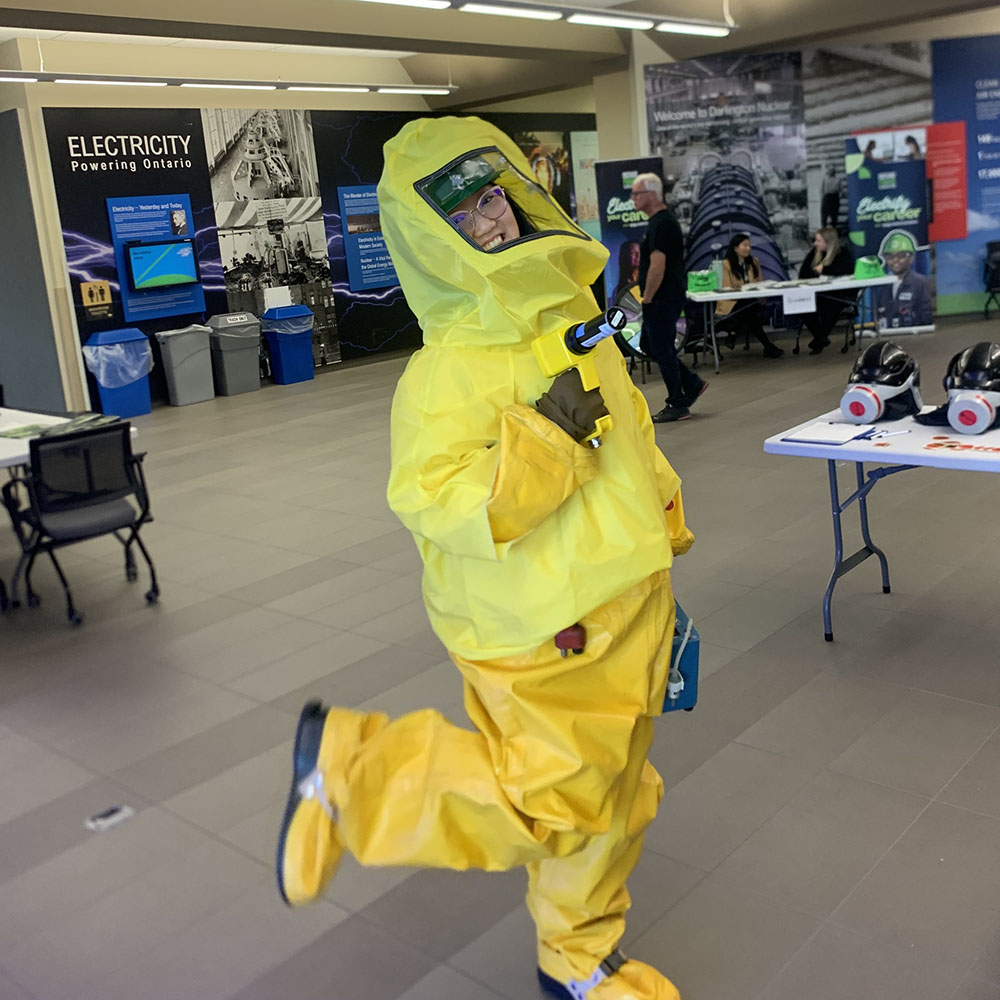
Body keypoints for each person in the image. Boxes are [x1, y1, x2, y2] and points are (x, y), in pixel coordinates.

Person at [275, 116, 695, 1000]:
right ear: (432, 238)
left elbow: (631, 434)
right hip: (546, 625)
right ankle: (354, 773)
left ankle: (576, 955)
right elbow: (440, 502)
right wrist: (546, 439)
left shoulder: (573, 313)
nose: (494, 220)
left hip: (632, 599)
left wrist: (665, 527)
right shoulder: (445, 372)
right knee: (549, 800)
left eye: (496, 195)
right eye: (464, 213)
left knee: (614, 800)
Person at [630, 172, 706, 423]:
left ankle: (678, 403)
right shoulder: (657, 223)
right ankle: (691, 384)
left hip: (662, 297)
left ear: (651, 195)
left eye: (636, 194)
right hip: (663, 296)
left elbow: (657, 266)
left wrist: (648, 297)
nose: (632, 199)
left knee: (660, 348)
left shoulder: (663, 224)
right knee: (652, 345)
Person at [715, 233, 783, 358]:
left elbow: (760, 282)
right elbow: (727, 288)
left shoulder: (753, 262)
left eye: (749, 245)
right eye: (745, 245)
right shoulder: (726, 264)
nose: (748, 248)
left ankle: (735, 331)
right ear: (735, 248)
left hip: (751, 301)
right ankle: (768, 346)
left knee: (749, 311)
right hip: (733, 302)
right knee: (750, 314)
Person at [797, 227, 855, 354]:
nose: (815, 244)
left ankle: (819, 340)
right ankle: (820, 337)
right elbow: (803, 273)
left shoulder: (843, 253)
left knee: (832, 306)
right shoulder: (814, 253)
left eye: (819, 241)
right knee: (800, 306)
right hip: (817, 294)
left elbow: (846, 271)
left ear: (828, 242)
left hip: (838, 295)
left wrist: (824, 269)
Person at [876, 230, 933, 329]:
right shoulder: (884, 284)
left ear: (911, 258)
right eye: (890, 256)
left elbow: (926, 317)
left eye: (901, 255)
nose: (895, 260)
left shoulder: (921, 283)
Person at [820, 164, 841, 229]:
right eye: (830, 170)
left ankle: (833, 230)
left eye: (832, 170)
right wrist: (823, 198)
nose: (831, 171)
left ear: (834, 171)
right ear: (828, 171)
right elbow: (822, 190)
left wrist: (838, 196)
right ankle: (824, 229)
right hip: (827, 198)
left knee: (834, 215)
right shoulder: (825, 179)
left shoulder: (838, 180)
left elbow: (841, 191)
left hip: (835, 198)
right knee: (824, 215)